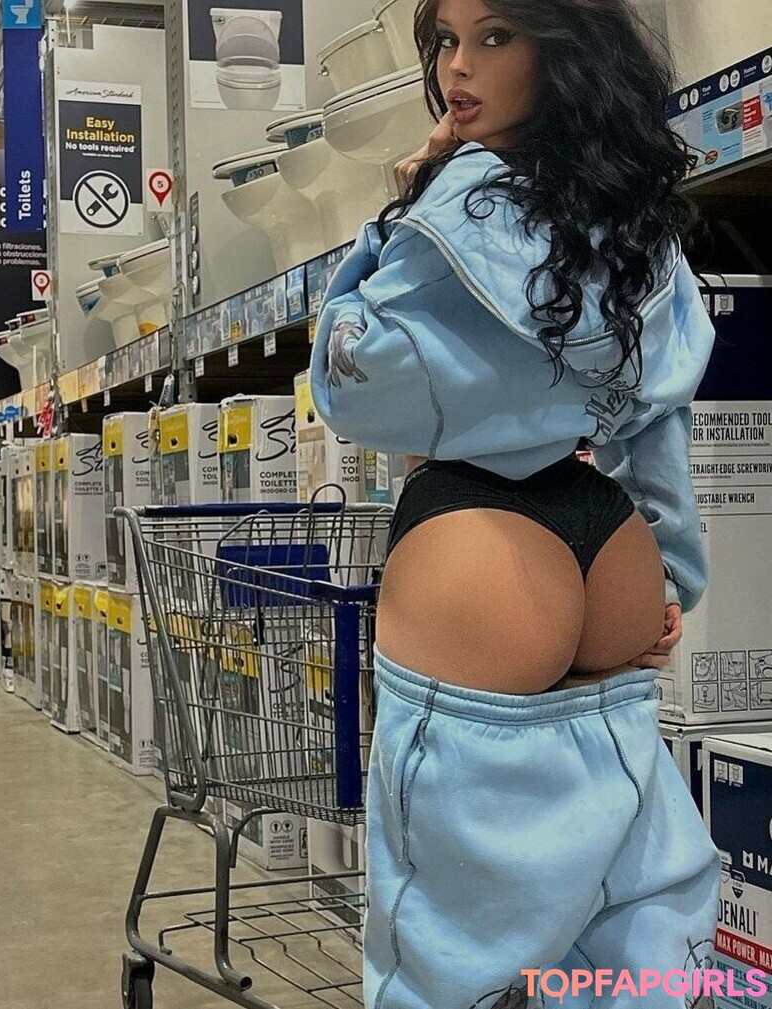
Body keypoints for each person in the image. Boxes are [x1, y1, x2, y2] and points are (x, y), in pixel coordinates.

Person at [308, 0, 721, 1005]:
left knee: (456, 940)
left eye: (494, 37)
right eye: (447, 40)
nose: (459, 67)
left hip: (480, 547)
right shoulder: (635, 221)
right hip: (607, 542)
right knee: (629, 893)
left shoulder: (460, 207)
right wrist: (671, 571)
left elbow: (355, 384)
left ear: (563, 50)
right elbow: (657, 411)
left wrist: (402, 209)